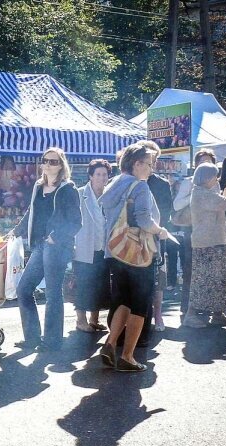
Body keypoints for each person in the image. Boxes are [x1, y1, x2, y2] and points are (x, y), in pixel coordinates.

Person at [97, 141, 168, 372]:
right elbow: (145, 221)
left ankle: (110, 344)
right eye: (149, 164)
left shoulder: (114, 183)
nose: (151, 168)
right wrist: (160, 231)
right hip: (138, 253)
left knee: (124, 300)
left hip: (116, 251)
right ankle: (127, 356)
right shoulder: (140, 187)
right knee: (139, 304)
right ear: (137, 164)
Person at [12, 147, 81, 351]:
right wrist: (16, 231)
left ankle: (51, 340)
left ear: (62, 165)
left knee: (52, 293)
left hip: (56, 247)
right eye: (46, 161)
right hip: (39, 245)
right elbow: (31, 212)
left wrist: (56, 237)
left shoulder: (68, 189)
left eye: (54, 161)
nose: (49, 164)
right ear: (41, 163)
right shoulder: (38, 186)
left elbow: (76, 222)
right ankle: (33, 338)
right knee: (24, 289)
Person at [183, 163, 226, 328]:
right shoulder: (202, 195)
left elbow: (221, 202)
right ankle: (191, 315)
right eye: (215, 176)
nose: (217, 179)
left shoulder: (205, 192)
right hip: (207, 244)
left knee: (219, 280)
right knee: (203, 281)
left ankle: (218, 314)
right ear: (208, 177)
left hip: (213, 241)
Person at [172, 148, 216, 314]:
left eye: (208, 161)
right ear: (196, 164)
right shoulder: (189, 182)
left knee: (209, 271)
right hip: (192, 230)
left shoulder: (215, 183)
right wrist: (196, 194)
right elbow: (176, 205)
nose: (205, 164)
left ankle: (205, 306)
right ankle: (187, 308)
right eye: (202, 161)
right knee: (190, 269)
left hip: (211, 231)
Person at [72, 159, 110, 333]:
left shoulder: (109, 196)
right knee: (83, 284)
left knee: (100, 284)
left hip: (103, 247)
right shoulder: (80, 194)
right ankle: (81, 320)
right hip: (83, 247)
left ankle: (94, 319)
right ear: (91, 176)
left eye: (105, 174)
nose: (102, 178)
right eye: (98, 174)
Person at [146, 169, 173, 331]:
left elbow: (166, 212)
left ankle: (158, 316)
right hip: (133, 239)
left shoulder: (161, 183)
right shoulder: (129, 181)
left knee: (158, 280)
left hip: (156, 237)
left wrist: (154, 229)